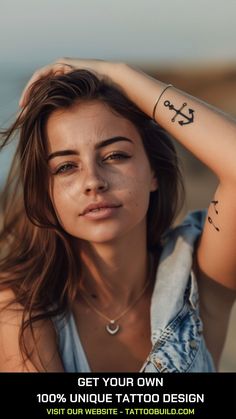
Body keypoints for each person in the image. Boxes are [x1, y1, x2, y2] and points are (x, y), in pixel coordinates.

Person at [0, 58, 236, 372]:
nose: (93, 181)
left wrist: (121, 75)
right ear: (47, 194)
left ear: (153, 171)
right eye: (66, 167)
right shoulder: (21, 306)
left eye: (115, 155)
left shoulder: (200, 283)